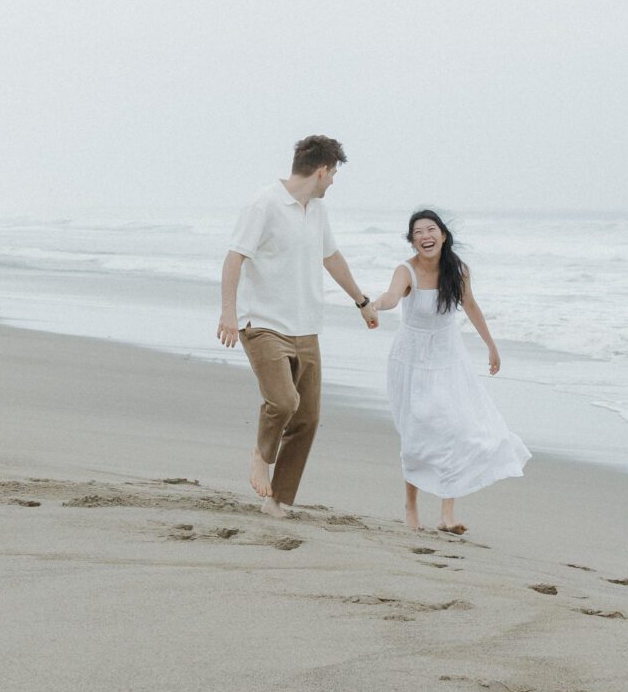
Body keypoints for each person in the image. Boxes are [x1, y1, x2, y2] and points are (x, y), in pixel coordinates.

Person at [218, 134, 378, 517]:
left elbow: (332, 257)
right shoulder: (264, 204)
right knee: (284, 401)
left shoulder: (317, 210)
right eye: (334, 173)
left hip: (307, 327)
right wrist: (227, 313)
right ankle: (261, 455)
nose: (334, 182)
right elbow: (234, 258)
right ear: (321, 171)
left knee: (307, 417)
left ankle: (278, 501)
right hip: (263, 324)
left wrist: (362, 301)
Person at [369, 208, 528, 533]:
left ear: (443, 234)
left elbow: (470, 305)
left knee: (454, 429)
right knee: (416, 434)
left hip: (448, 358)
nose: (425, 236)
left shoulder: (457, 269)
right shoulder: (406, 270)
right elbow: (391, 296)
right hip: (411, 360)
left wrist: (491, 345)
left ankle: (447, 513)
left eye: (431, 229)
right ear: (412, 241)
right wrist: (375, 305)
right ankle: (411, 506)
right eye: (418, 232)